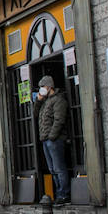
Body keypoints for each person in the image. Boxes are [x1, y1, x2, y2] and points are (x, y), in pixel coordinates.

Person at [36, 75, 71, 204]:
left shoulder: (58, 100)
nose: (41, 89)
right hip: (46, 139)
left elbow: (59, 120)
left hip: (55, 139)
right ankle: (58, 193)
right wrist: (38, 101)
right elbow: (35, 115)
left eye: (43, 87)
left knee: (59, 167)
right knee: (52, 169)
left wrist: (52, 136)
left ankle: (64, 193)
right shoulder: (45, 102)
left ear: (49, 87)